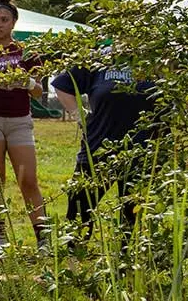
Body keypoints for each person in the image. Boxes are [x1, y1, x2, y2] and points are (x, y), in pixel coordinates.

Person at [52, 49, 158, 250]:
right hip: (98, 149)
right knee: (79, 209)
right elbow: (62, 85)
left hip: (142, 151)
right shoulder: (100, 57)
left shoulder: (156, 57)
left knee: (132, 216)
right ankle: (73, 266)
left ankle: (126, 270)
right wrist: (78, 114)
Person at [0, 0, 49, 253]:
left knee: (28, 179)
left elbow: (39, 91)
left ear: (14, 23)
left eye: (4, 19)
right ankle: (1, 239)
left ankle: (43, 239)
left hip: (19, 121)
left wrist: (26, 82)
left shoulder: (26, 52)